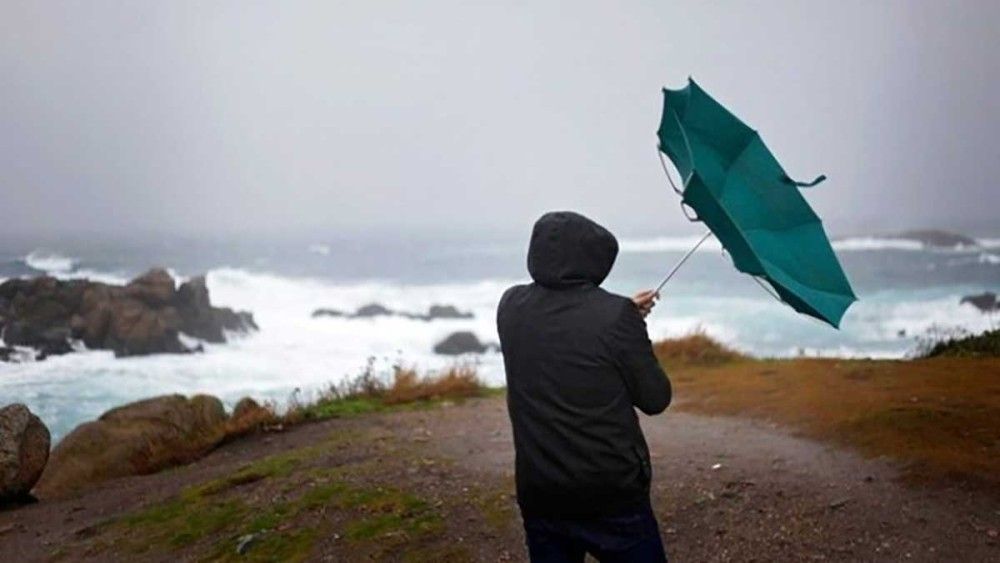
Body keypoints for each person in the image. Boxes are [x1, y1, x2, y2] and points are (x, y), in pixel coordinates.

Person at [497, 211, 672, 562]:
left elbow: (566, 326)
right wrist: (628, 324)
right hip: (610, 491)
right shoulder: (614, 318)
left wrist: (622, 315)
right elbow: (655, 398)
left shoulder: (510, 306)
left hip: (540, 487)